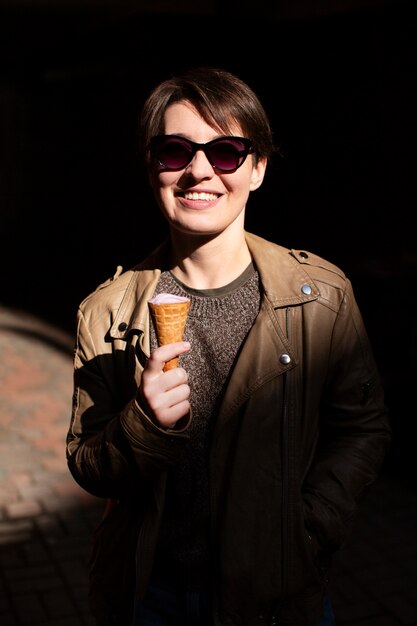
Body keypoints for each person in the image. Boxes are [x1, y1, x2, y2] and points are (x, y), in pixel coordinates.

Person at [66, 66, 391, 626]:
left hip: (280, 596)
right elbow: (88, 462)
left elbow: (362, 429)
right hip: (151, 598)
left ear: (258, 167)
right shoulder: (108, 311)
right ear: (152, 168)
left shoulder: (322, 298)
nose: (198, 171)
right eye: (175, 151)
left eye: (225, 152)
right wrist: (143, 424)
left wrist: (310, 526)